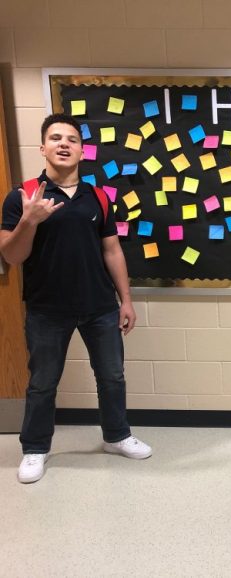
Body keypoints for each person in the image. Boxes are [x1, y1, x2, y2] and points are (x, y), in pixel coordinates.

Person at [0, 113, 152, 484]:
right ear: (43, 148)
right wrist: (29, 221)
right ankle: (35, 448)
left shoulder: (97, 196)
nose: (63, 144)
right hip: (47, 308)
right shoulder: (23, 195)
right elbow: (10, 255)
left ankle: (116, 436)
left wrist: (126, 300)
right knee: (43, 382)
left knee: (112, 376)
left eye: (71, 139)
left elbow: (112, 251)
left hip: (99, 306)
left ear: (82, 151)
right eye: (55, 138)